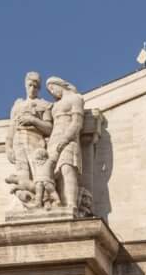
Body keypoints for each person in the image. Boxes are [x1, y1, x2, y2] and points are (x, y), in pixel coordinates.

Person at [5, 72, 54, 208]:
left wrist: (33, 120)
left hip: (35, 140)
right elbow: (11, 128)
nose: (32, 89)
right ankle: (31, 200)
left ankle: (45, 197)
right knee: (23, 176)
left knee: (39, 175)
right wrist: (8, 147)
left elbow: (49, 128)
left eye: (35, 86)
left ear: (39, 88)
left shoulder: (44, 105)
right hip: (18, 141)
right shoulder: (17, 105)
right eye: (30, 85)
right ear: (25, 85)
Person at [45, 77, 89, 215]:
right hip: (53, 140)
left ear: (60, 85)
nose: (52, 92)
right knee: (53, 174)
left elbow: (77, 123)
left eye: (53, 88)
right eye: (49, 90)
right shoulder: (55, 106)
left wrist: (65, 139)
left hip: (68, 139)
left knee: (67, 169)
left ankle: (71, 205)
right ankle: (57, 204)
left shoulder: (75, 98)